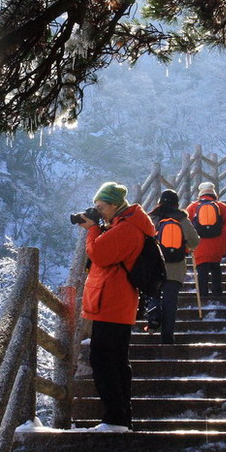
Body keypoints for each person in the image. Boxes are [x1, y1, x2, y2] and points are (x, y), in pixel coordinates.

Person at [77, 181, 155, 432]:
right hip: (113, 302)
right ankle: (120, 418)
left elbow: (99, 254)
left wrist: (92, 230)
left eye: (101, 206)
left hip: (113, 302)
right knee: (116, 361)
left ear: (114, 205)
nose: (98, 211)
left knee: (103, 361)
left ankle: (115, 418)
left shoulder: (127, 229)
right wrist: (98, 227)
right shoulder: (121, 225)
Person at [148, 188, 199, 344]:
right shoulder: (182, 219)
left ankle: (153, 319)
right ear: (177, 204)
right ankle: (167, 337)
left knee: (153, 295)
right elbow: (194, 241)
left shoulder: (152, 218)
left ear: (159, 203)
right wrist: (185, 246)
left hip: (154, 267)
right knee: (170, 302)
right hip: (175, 268)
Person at [187, 181, 226, 300]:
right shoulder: (221, 207)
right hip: (217, 246)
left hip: (199, 246)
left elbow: (185, 226)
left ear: (200, 194)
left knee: (201, 271)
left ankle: (203, 297)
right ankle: (217, 296)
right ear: (214, 194)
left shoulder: (193, 207)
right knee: (216, 268)